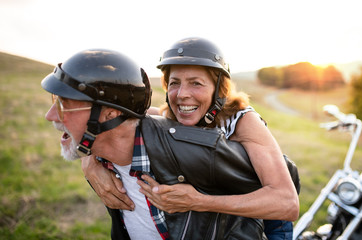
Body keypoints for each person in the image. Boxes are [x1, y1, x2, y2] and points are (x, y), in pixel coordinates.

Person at [42, 48, 275, 240]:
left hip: (266, 211)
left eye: (196, 83)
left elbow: (284, 201)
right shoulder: (170, 117)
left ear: (218, 90)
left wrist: (198, 201)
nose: (182, 94)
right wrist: (90, 160)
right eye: (174, 83)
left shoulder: (244, 121)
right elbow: (125, 119)